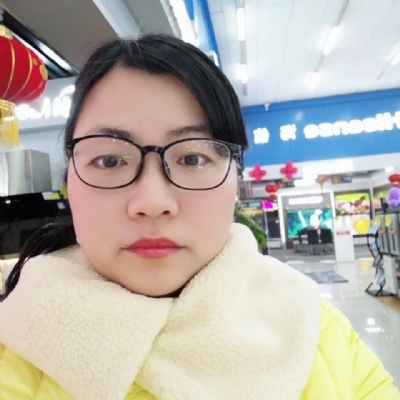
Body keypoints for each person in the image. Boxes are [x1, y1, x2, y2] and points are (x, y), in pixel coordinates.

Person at [0, 35, 399, 400]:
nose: (152, 201)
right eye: (109, 160)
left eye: (192, 158)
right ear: (69, 178)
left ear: (236, 178)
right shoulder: (12, 348)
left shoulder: (319, 334)